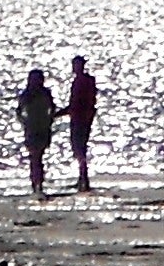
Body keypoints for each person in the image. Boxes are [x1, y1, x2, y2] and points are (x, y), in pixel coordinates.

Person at [16, 63, 58, 196]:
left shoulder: (44, 93)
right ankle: (36, 181)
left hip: (42, 126)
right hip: (33, 127)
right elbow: (19, 110)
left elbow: (52, 107)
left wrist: (50, 119)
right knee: (35, 156)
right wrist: (24, 122)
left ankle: (37, 181)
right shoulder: (27, 94)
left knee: (37, 156)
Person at [64, 55, 102, 191]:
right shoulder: (81, 81)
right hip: (80, 116)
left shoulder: (85, 81)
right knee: (79, 147)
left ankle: (83, 178)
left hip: (81, 117)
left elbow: (81, 102)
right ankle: (82, 177)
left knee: (79, 147)